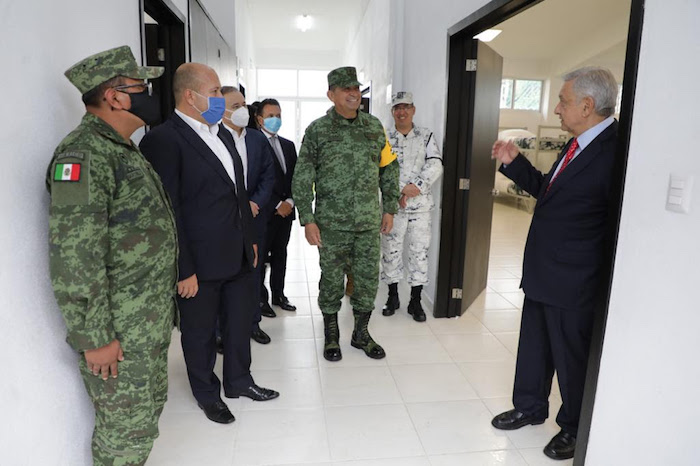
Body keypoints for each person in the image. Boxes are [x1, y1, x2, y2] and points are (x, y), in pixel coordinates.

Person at [46, 45, 177, 465]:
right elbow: (75, 256)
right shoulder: (83, 155)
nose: (151, 94)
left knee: (144, 419)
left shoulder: (120, 148)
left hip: (145, 322)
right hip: (118, 332)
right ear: (117, 97)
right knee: (124, 434)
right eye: (142, 86)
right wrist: (95, 337)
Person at [489, 67, 619, 461]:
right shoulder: (576, 143)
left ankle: (575, 428)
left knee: (571, 356)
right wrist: (515, 163)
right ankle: (530, 406)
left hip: (576, 277)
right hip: (544, 270)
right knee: (534, 346)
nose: (556, 109)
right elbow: (551, 192)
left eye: (563, 101)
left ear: (587, 104)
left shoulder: (616, 151)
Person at [140, 63, 279, 426]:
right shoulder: (164, 140)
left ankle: (239, 381)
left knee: (237, 324)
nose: (222, 99)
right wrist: (183, 268)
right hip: (198, 264)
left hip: (237, 255)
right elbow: (167, 212)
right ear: (190, 95)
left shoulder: (219, 135)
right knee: (200, 334)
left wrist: (250, 242)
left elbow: (238, 194)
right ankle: (207, 393)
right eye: (216, 92)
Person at [292, 66, 400, 362]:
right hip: (331, 224)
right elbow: (303, 175)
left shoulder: (374, 127)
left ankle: (360, 334)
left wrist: (389, 207)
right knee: (331, 280)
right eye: (346, 89)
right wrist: (308, 218)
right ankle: (331, 335)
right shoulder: (318, 130)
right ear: (331, 95)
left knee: (367, 280)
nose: (354, 94)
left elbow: (389, 167)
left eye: (356, 88)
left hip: (368, 222)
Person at [380, 91, 443, 322]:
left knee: (419, 253)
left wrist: (416, 185)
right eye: (397, 108)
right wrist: (400, 188)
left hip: (421, 207)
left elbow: (435, 163)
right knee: (391, 251)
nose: (402, 111)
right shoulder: (384, 138)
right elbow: (380, 169)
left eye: (406, 107)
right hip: (392, 207)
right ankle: (392, 296)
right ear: (392, 112)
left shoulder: (425, 136)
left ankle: (415, 301)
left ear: (413, 109)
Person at [220, 86, 276, 345]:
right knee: (225, 275)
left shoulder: (257, 139)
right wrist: (238, 206)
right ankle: (221, 330)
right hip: (225, 221)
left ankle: (253, 323)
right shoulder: (213, 137)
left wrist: (255, 202)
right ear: (220, 110)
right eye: (235, 106)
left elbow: (268, 175)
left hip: (255, 218)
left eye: (243, 105)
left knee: (254, 273)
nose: (242, 110)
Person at [256, 98, 298, 317]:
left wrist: (290, 201)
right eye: (271, 116)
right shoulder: (253, 144)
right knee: (261, 257)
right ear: (259, 119)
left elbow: (295, 178)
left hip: (286, 212)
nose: (275, 120)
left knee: (281, 254)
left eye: (279, 116)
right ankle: (261, 300)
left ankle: (279, 295)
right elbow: (253, 180)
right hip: (265, 213)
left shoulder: (288, 145)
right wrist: (275, 204)